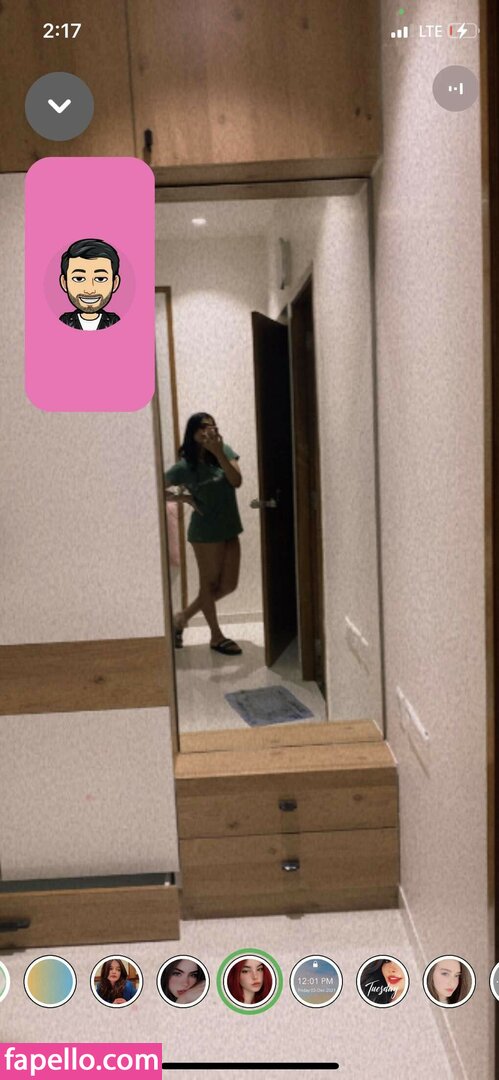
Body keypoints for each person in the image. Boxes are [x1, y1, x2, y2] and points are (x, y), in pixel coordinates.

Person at [164, 412, 243, 655]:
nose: (208, 430)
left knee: (229, 584)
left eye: (212, 425)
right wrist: (184, 498)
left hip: (230, 526)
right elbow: (155, 487)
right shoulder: (184, 467)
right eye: (202, 426)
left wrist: (218, 452)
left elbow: (236, 480)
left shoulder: (224, 451)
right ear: (193, 432)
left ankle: (181, 618)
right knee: (208, 586)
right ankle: (216, 636)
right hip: (205, 531)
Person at [59, 238, 121, 329]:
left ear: (115, 283)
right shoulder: (64, 321)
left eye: (100, 279)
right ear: (64, 283)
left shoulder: (115, 321)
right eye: (79, 279)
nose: (89, 290)